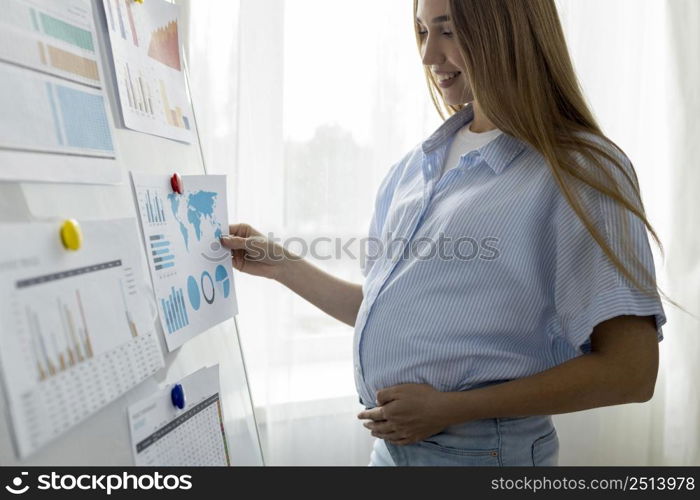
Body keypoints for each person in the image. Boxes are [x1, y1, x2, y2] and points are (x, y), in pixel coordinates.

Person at [220, 0, 667, 466]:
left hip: (483, 454)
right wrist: (281, 265)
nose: (428, 55)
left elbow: (631, 373)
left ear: (509, 30)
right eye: (421, 31)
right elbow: (387, 311)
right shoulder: (413, 169)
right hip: (392, 451)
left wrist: (452, 409)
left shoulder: (581, 171)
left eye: (448, 30)